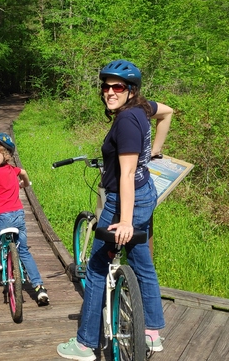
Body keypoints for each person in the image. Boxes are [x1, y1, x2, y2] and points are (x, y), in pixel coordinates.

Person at [57, 60, 173, 360]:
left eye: (117, 86)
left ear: (131, 90)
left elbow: (126, 173)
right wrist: (156, 149)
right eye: (106, 86)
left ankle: (85, 345)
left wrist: (123, 220)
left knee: (96, 268)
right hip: (145, 194)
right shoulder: (143, 108)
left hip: (125, 200)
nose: (110, 91)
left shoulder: (125, 122)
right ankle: (152, 332)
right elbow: (168, 112)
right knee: (141, 262)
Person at [0, 132, 49, 306]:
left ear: (5, 156)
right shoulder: (14, 170)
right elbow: (25, 173)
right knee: (24, 252)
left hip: (1, 219)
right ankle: (39, 287)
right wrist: (25, 184)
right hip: (19, 216)